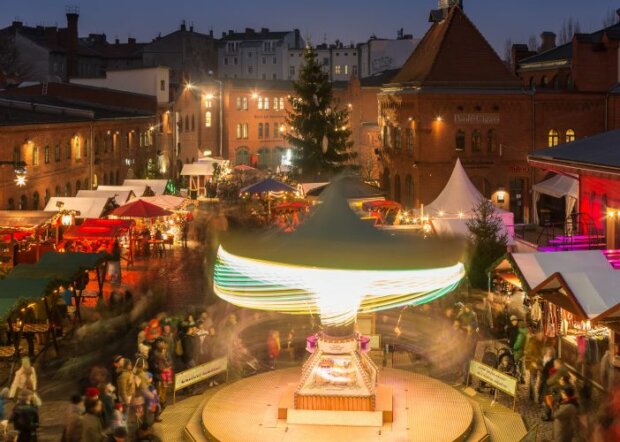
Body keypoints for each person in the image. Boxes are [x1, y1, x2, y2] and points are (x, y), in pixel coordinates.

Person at [523, 330, 546, 401]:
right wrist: (533, 361)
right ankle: (533, 396)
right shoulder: (532, 341)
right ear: (537, 334)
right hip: (533, 363)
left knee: (541, 379)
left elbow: (543, 352)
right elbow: (528, 353)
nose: (541, 337)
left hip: (540, 363)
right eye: (540, 335)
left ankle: (537, 395)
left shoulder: (543, 342)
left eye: (543, 335)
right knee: (533, 379)